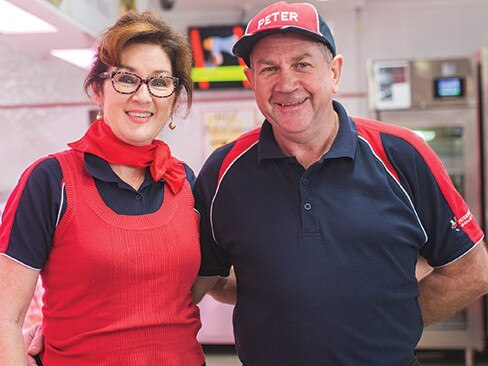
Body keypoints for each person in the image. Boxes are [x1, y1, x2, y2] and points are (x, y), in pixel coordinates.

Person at [191, 1, 488, 365]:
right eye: (269, 68)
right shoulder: (223, 171)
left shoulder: (401, 153)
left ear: (334, 72)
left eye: (302, 64)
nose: (286, 84)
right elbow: (205, 276)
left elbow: (471, 269)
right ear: (251, 79)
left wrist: (389, 322)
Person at [0, 9, 206, 366]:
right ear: (98, 89)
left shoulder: (184, 181)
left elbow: (199, 286)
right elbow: (5, 318)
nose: (143, 96)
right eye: (126, 79)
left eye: (160, 82)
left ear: (174, 98)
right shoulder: (51, 181)